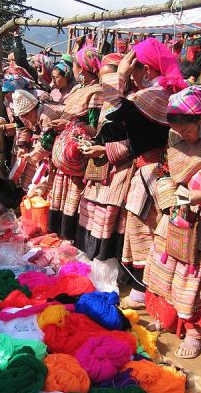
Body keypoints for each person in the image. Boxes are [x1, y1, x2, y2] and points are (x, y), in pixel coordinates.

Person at [98, 39, 187, 309]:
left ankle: (148, 289)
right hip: (162, 170)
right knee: (153, 229)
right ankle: (151, 288)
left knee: (144, 229)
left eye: (135, 67)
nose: (133, 74)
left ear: (145, 69)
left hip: (150, 172)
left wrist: (120, 75)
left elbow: (110, 115)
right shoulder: (164, 94)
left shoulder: (150, 97)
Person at [144, 85, 201, 358]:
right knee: (169, 270)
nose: (182, 136)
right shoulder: (175, 137)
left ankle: (195, 332)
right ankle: (170, 318)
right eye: (177, 131)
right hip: (180, 214)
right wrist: (168, 200)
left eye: (186, 130)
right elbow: (166, 170)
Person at [75, 52, 129, 260]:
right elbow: (101, 130)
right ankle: (92, 258)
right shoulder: (108, 100)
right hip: (100, 166)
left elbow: (136, 143)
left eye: (110, 78)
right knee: (91, 210)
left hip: (120, 168)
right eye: (103, 78)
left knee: (108, 216)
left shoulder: (129, 102)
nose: (106, 83)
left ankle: (105, 263)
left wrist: (105, 150)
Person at [48, 46, 103, 240]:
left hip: (77, 153)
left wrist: (71, 124)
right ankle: (59, 232)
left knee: (73, 194)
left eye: (77, 65)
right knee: (61, 193)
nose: (75, 69)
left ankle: (69, 234)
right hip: (66, 152)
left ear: (83, 67)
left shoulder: (96, 92)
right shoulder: (80, 89)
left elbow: (95, 126)